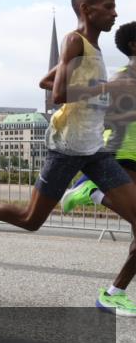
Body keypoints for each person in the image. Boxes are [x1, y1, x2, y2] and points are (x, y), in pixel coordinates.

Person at [0, 0, 136, 315]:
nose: (115, 13)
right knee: (29, 219)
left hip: (93, 147)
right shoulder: (74, 40)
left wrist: (99, 93)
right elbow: (59, 94)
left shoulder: (92, 47)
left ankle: (112, 294)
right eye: (108, 6)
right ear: (87, 9)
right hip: (67, 147)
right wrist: (110, 87)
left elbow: (45, 82)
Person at [59, 21, 136, 214]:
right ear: (133, 45)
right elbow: (103, 116)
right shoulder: (121, 79)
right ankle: (91, 191)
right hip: (124, 152)